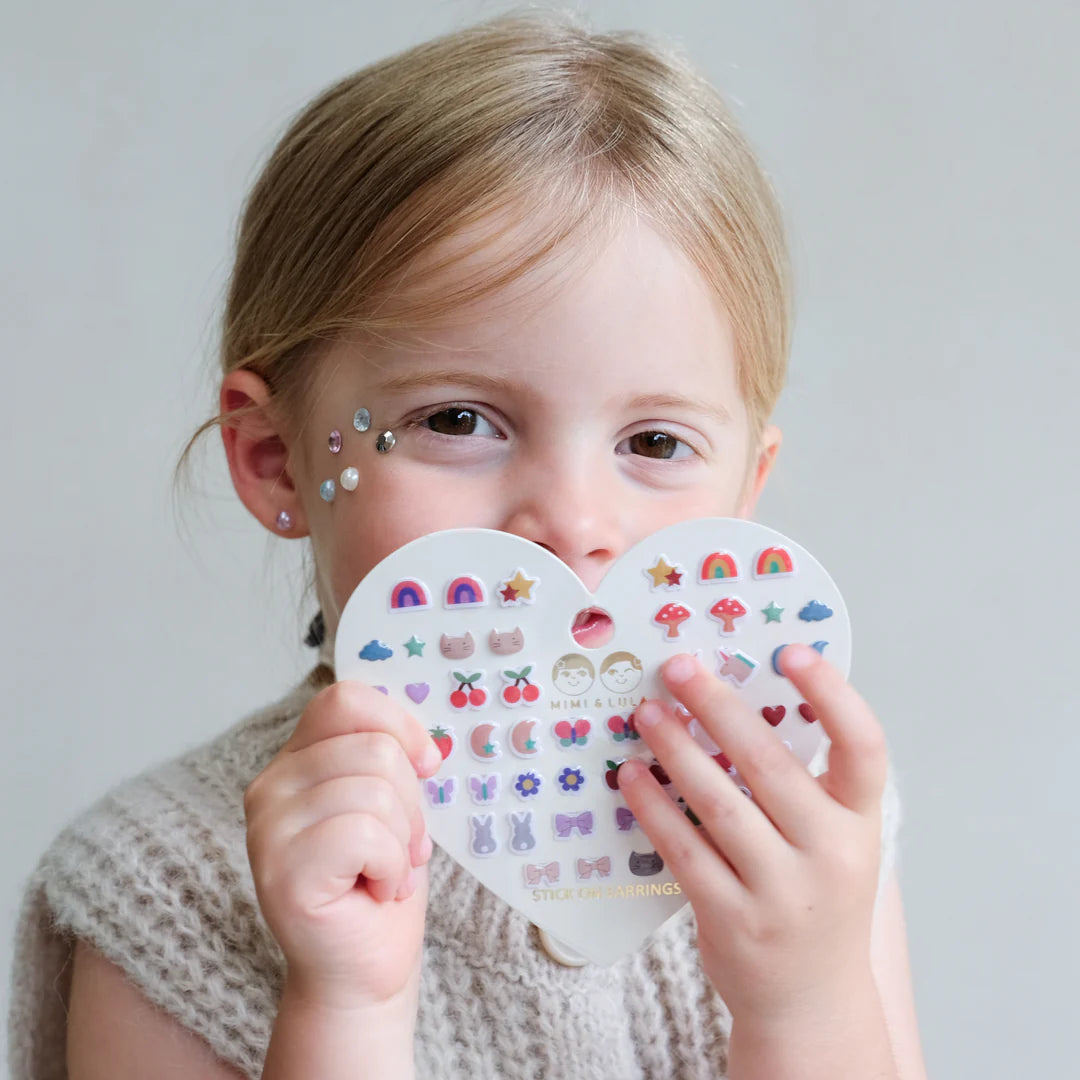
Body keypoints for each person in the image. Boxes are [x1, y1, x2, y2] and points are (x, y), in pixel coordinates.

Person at [8, 9, 927, 1079]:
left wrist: (805, 1003)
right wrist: (345, 1008)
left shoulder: (804, 828)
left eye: (655, 442)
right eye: (457, 420)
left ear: (744, 496)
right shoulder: (159, 892)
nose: (573, 521)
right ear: (275, 460)